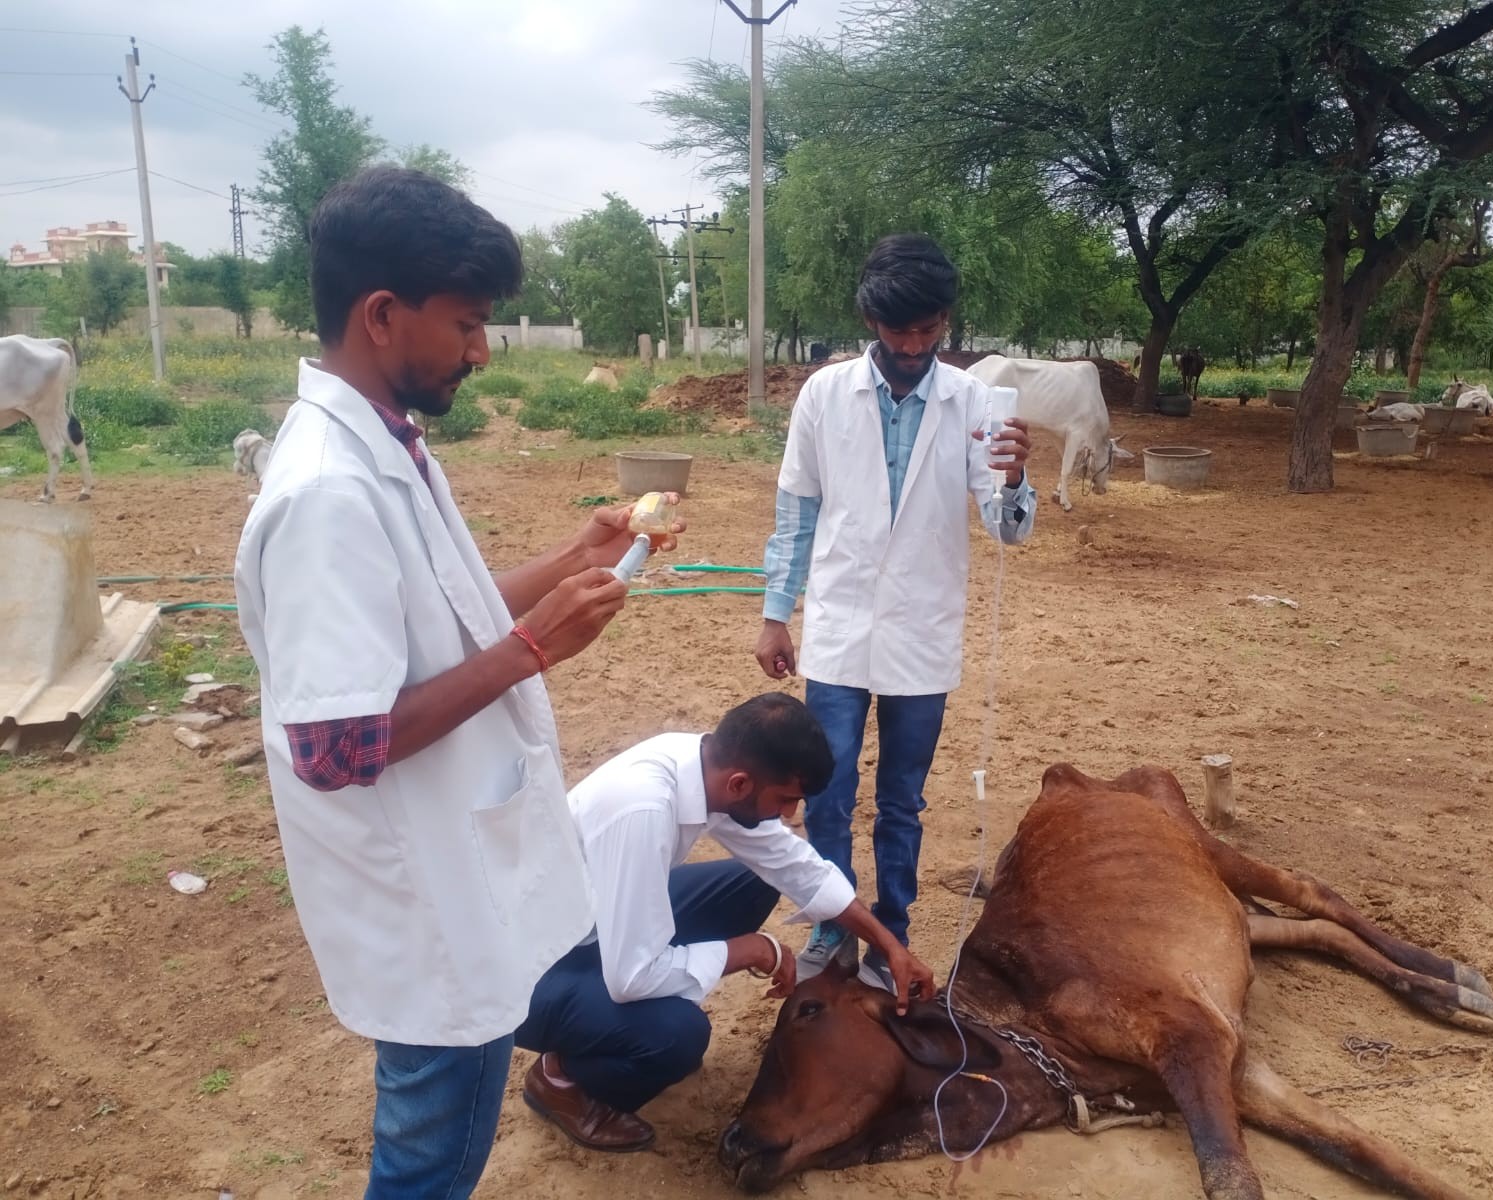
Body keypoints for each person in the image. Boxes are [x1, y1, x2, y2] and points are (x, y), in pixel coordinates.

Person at [233, 166, 680, 1198]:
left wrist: (575, 557)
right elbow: (335, 748)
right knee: (429, 1167)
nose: (482, 350)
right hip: (422, 901)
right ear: (383, 315)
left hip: (458, 873)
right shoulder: (328, 495)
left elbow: (446, 608)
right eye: (469, 324)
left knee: (446, 1148)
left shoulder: (388, 444)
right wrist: (534, 649)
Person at [754, 234, 1036, 989]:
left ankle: (893, 933)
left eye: (928, 329)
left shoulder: (974, 400)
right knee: (827, 785)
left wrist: (1016, 477)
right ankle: (830, 927)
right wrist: (775, 612)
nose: (913, 346)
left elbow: (1005, 527)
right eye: (897, 330)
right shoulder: (824, 393)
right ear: (869, 320)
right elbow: (796, 511)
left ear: (945, 320)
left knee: (901, 800)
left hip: (922, 627)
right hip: (840, 624)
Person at [515, 693, 936, 1152]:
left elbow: (794, 863)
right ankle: (562, 1078)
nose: (789, 815)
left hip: (591, 920)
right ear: (739, 783)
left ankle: (607, 1029)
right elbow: (630, 976)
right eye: (786, 799)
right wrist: (752, 950)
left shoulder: (702, 764)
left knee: (751, 881)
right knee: (678, 1036)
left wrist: (889, 944)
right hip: (531, 974)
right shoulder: (642, 809)